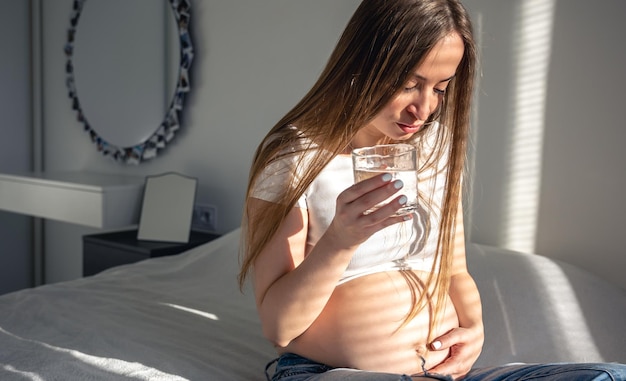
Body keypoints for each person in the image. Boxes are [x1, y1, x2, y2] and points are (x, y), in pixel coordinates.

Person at [238, 0, 626, 380]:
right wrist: (339, 240)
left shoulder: (434, 147)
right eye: (409, 84)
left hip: (439, 374)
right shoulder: (295, 158)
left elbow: (454, 270)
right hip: (331, 372)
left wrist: (474, 332)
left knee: (611, 376)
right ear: (363, 64)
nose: (424, 109)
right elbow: (279, 327)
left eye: (441, 89)